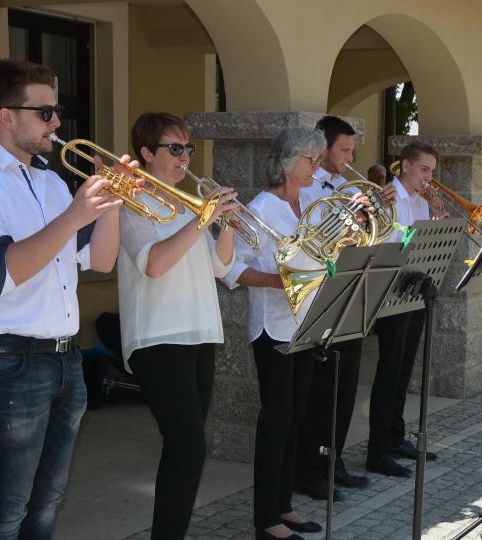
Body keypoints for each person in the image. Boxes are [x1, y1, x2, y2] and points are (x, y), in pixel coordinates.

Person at [0, 58, 138, 538]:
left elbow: (101, 260)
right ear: (7, 117)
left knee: (46, 504)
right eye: (46, 113)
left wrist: (113, 204)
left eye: (58, 111)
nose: (58, 124)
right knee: (6, 510)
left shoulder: (47, 180)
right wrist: (75, 213)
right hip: (7, 362)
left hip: (65, 359)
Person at [118, 112, 239, 539]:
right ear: (147, 153)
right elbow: (154, 264)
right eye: (175, 148)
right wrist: (203, 219)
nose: (185, 156)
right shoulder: (135, 202)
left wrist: (224, 225)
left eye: (188, 148)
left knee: (186, 451)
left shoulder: (188, 203)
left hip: (200, 334)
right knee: (188, 448)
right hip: (157, 338)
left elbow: (222, 267)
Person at [221, 128, 328, 540]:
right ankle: (265, 518)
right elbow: (232, 269)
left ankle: (284, 505)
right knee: (277, 420)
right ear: (285, 162)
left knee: (296, 418)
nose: (315, 167)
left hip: (306, 324)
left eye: (318, 159)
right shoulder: (261, 208)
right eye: (309, 159)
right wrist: (278, 282)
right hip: (272, 327)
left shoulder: (313, 201)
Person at [294, 115, 370, 500]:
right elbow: (316, 244)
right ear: (322, 150)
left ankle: (333, 461)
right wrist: (347, 220)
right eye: (344, 150)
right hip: (321, 298)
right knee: (321, 393)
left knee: (344, 387)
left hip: (349, 293)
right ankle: (310, 469)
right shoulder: (307, 191)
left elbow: (365, 241)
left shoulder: (344, 187)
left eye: (352, 151)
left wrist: (369, 215)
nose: (349, 158)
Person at [365, 142, 442, 478]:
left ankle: (395, 435)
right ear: (405, 166)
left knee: (405, 368)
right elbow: (387, 244)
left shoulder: (419, 201)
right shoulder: (389, 198)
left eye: (432, 171)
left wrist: (437, 219)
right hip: (391, 292)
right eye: (425, 170)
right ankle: (377, 449)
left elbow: (423, 246)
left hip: (414, 288)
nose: (429, 177)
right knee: (389, 369)